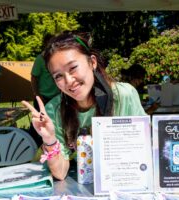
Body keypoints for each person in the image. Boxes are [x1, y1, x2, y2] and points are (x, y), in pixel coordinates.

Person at [22, 32, 146, 180]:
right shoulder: (54, 110)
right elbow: (60, 173)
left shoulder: (124, 95)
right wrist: (49, 139)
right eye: (58, 76)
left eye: (73, 68)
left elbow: (142, 153)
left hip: (124, 180)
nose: (68, 81)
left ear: (92, 62)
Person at [29, 34, 61, 146]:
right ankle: (33, 146)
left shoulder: (57, 58)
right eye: (50, 43)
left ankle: (56, 146)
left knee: (56, 124)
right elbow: (33, 77)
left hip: (57, 97)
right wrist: (37, 95)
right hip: (43, 97)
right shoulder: (40, 59)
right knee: (38, 124)